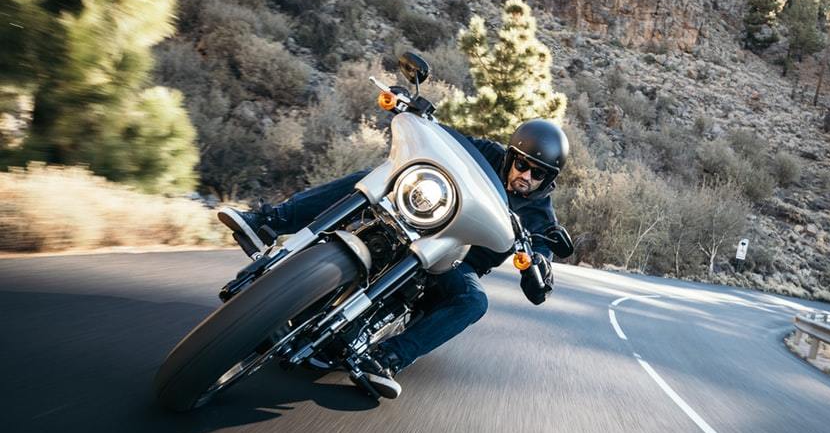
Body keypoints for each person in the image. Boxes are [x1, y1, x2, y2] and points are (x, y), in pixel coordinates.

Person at [216, 119, 568, 398]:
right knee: (371, 179)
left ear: (548, 179)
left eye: (538, 173)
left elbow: (541, 273)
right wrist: (418, 114)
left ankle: (388, 359)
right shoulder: (486, 154)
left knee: (474, 302)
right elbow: (442, 140)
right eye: (522, 164)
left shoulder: (540, 216)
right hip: (418, 221)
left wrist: (539, 269)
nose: (525, 176)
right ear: (511, 155)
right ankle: (267, 222)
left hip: (453, 265)